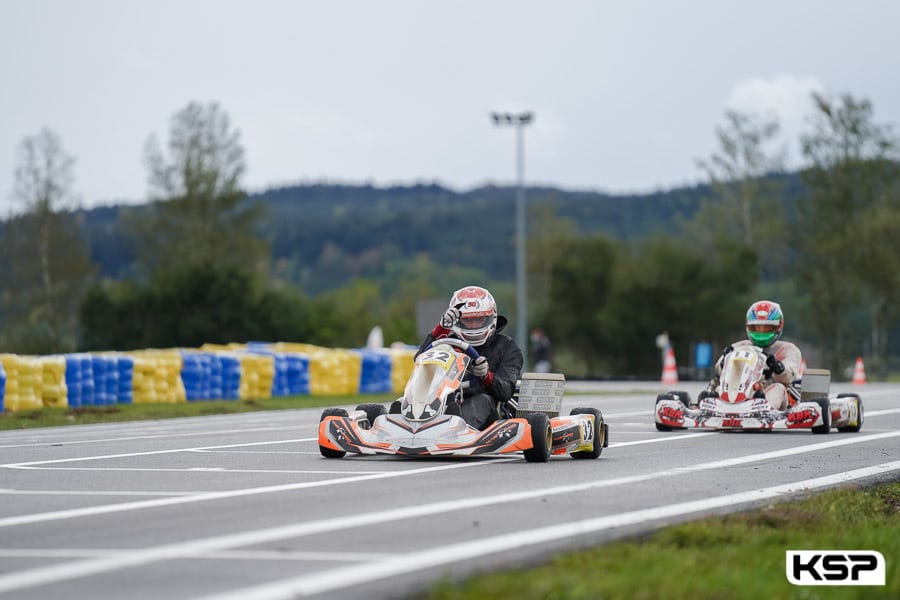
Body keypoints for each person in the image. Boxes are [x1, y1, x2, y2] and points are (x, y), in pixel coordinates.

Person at [417, 285, 524, 430]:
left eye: (479, 320)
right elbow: (420, 362)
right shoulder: (447, 343)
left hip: (490, 412)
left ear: (490, 318)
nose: (474, 326)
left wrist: (486, 376)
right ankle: (409, 424)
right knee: (413, 398)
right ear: (457, 321)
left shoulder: (507, 347)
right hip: (442, 402)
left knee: (482, 401)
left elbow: (505, 392)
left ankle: (452, 429)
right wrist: (441, 329)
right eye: (468, 320)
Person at [709, 300, 802, 411]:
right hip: (741, 390)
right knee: (718, 387)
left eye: (767, 328)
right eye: (756, 327)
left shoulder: (788, 349)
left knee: (779, 388)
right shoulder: (738, 347)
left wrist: (775, 366)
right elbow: (718, 372)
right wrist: (724, 362)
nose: (761, 332)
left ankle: (764, 411)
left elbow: (789, 376)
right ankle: (714, 405)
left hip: (769, 393)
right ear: (748, 326)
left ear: (778, 326)